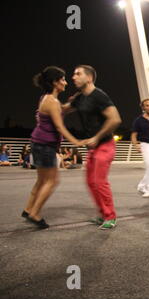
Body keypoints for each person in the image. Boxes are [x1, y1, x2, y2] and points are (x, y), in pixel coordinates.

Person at [22, 66, 84, 229]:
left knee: (42, 180)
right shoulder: (52, 102)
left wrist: (74, 101)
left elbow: (61, 110)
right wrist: (76, 141)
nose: (65, 82)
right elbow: (60, 126)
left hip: (38, 143)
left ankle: (28, 209)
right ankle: (35, 214)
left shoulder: (46, 98)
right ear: (55, 82)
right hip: (45, 145)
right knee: (52, 180)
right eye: (62, 79)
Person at [65, 65, 122, 230]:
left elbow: (115, 119)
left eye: (77, 74)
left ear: (89, 78)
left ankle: (111, 216)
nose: (73, 77)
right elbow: (63, 110)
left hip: (104, 144)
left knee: (99, 182)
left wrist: (97, 137)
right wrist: (47, 106)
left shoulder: (99, 96)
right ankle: (103, 213)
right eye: (73, 74)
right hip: (92, 147)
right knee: (90, 182)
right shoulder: (80, 97)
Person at [131, 98, 149, 198]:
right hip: (145, 145)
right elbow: (134, 135)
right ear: (143, 107)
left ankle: (141, 185)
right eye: (147, 105)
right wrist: (136, 145)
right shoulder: (138, 120)